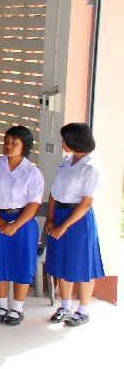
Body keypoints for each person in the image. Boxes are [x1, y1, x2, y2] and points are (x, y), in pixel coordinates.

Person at [0, 125, 44, 325]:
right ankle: (1, 305)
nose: (8, 145)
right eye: (6, 141)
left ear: (25, 146)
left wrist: (15, 225)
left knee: (21, 263)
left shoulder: (32, 172)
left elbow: (33, 204)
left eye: (14, 142)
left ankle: (17, 307)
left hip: (23, 222)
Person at [44, 122, 105, 326]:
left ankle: (83, 310)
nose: (62, 143)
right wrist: (51, 219)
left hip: (78, 219)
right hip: (60, 213)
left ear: (75, 141)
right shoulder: (65, 161)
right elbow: (54, 192)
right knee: (62, 262)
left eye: (65, 139)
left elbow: (86, 203)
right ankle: (65, 305)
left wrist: (64, 226)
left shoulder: (92, 168)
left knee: (81, 263)